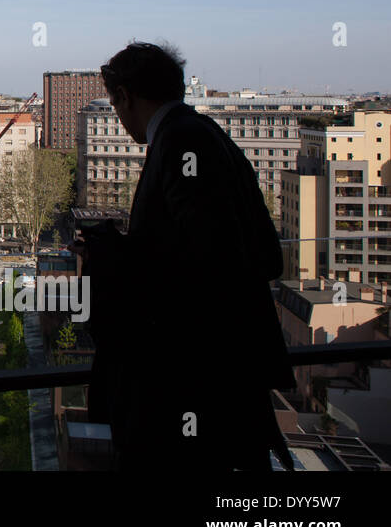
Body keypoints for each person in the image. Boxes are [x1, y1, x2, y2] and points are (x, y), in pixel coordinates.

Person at [77, 41, 295, 471]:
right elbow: (264, 256)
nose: (119, 120)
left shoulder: (180, 143)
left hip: (188, 384)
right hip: (225, 379)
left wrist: (112, 252)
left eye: (117, 105)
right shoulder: (207, 134)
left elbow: (209, 261)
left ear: (123, 96)